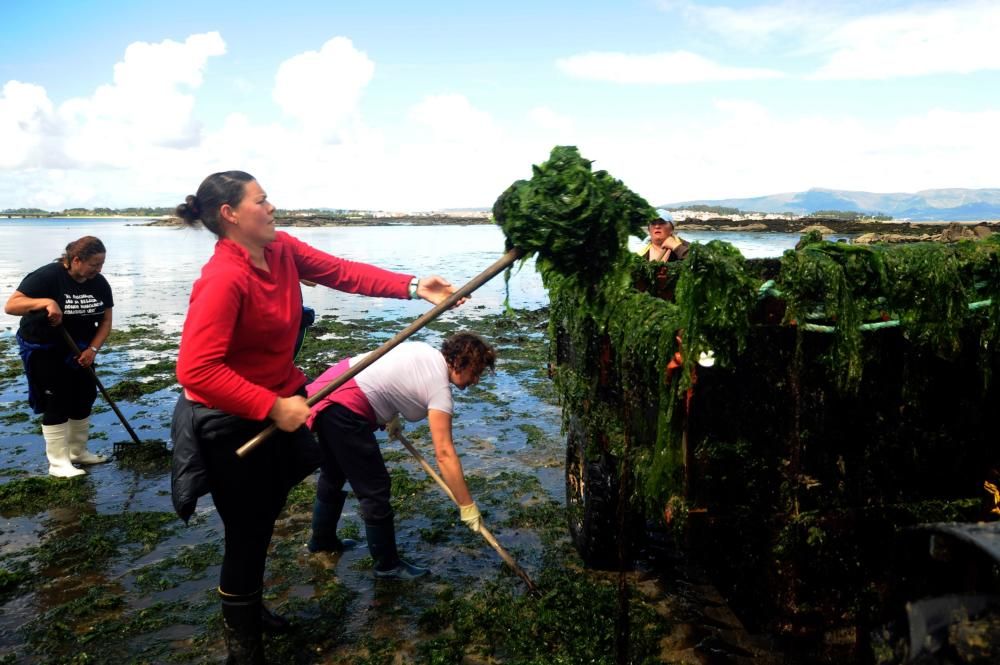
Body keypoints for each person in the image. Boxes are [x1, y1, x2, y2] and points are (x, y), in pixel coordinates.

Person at [169, 170, 461, 665]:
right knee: (245, 532)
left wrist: (414, 286)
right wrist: (272, 406)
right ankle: (244, 650)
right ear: (230, 214)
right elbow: (196, 370)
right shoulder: (223, 279)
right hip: (228, 420)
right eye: (262, 201)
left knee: (261, 521)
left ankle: (251, 606)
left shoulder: (282, 250)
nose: (272, 207)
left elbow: (343, 272)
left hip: (277, 408)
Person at [305, 332, 496, 580]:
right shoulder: (438, 386)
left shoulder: (424, 352)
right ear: (462, 361)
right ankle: (388, 566)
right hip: (344, 403)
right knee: (375, 487)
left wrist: (389, 415)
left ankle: (322, 542)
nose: (476, 380)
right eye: (476, 371)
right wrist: (466, 505)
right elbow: (445, 454)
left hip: (331, 389)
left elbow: (389, 376)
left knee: (334, 473)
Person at [4, 236, 113, 478]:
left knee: (84, 396)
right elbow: (11, 306)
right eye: (95, 264)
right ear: (76, 260)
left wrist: (92, 350)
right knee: (57, 401)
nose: (99, 269)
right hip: (46, 348)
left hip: (81, 349)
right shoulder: (47, 276)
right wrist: (46, 302)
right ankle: (58, 463)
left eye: (102, 264)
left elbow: (105, 321)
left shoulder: (99, 283)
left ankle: (78, 452)